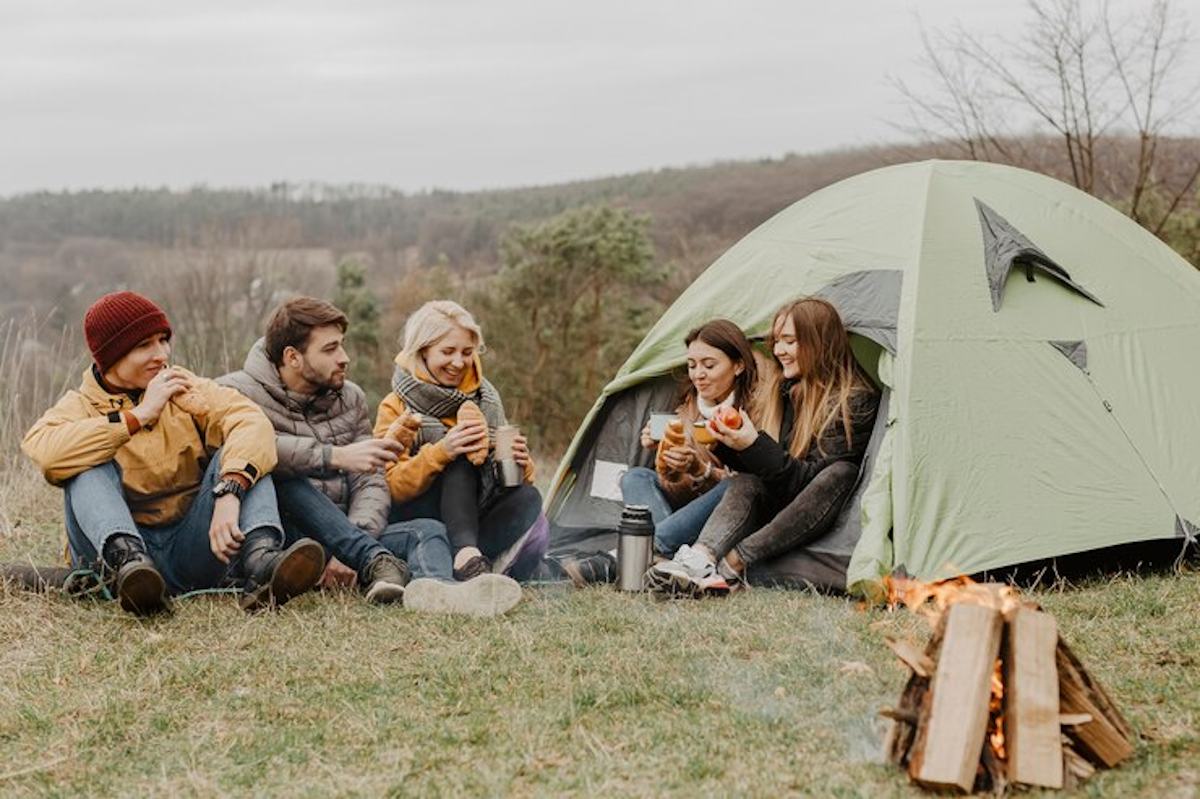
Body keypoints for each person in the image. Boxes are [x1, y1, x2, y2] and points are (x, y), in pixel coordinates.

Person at [21, 291, 324, 615]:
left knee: (246, 458)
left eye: (163, 340)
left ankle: (261, 563)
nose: (161, 354)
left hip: (191, 547)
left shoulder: (186, 387)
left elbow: (252, 422)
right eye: (144, 345)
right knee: (84, 463)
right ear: (110, 356)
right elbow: (47, 451)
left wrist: (230, 490)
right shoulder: (78, 406)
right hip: (112, 563)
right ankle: (131, 565)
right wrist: (138, 417)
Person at [219, 297, 521, 615]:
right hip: (288, 539)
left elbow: (371, 479)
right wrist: (334, 456)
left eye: (342, 345)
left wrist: (353, 540)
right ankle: (364, 561)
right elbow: (242, 451)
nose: (344, 358)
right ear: (293, 357)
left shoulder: (350, 397)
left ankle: (442, 591)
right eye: (330, 349)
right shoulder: (236, 393)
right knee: (279, 472)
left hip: (351, 533)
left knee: (429, 530)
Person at [648, 297, 880, 596]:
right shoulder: (788, 391)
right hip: (777, 504)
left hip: (815, 514)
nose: (778, 350)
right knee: (745, 482)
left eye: (789, 341)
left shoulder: (855, 401)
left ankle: (732, 563)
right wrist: (733, 444)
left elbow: (809, 484)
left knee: (841, 473)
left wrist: (753, 444)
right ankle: (701, 559)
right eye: (776, 341)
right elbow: (771, 477)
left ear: (819, 342)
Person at [374, 300, 542, 581]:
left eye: (467, 352)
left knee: (528, 498)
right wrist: (441, 452)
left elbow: (514, 483)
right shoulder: (395, 405)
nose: (458, 363)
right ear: (423, 351)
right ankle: (466, 558)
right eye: (448, 352)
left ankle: (472, 562)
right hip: (422, 516)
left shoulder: (486, 398)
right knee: (460, 460)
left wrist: (523, 464)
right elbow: (389, 486)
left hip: (474, 516)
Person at [621, 318, 759, 558]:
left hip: (730, 514)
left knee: (734, 485)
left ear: (738, 366)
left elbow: (753, 488)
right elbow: (676, 488)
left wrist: (701, 470)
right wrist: (666, 456)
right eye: (692, 365)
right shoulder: (689, 409)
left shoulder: (757, 406)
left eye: (709, 365)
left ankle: (649, 549)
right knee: (634, 477)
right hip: (689, 512)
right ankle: (667, 552)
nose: (698, 375)